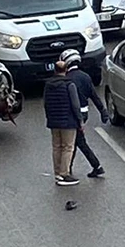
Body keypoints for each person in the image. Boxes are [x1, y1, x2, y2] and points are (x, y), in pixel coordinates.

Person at [59, 49, 106, 179]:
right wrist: (102, 111)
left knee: (76, 142)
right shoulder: (85, 76)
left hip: (73, 115)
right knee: (76, 142)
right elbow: (94, 96)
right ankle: (71, 169)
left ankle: (94, 166)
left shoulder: (67, 79)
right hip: (84, 113)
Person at [43, 54, 84, 188]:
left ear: (54, 70)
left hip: (54, 121)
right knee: (68, 147)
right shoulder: (69, 85)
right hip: (68, 121)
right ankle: (64, 174)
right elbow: (75, 105)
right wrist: (80, 121)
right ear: (66, 70)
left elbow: (46, 103)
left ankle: (57, 173)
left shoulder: (48, 85)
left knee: (56, 147)